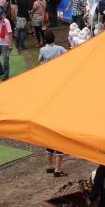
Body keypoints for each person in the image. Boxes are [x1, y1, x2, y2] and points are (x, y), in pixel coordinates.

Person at [39, 31, 67, 176]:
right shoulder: (60, 49)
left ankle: (49, 165)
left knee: (50, 136)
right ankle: (57, 168)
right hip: (57, 84)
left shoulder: (42, 50)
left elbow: (41, 62)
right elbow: (69, 55)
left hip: (47, 86)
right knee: (59, 138)